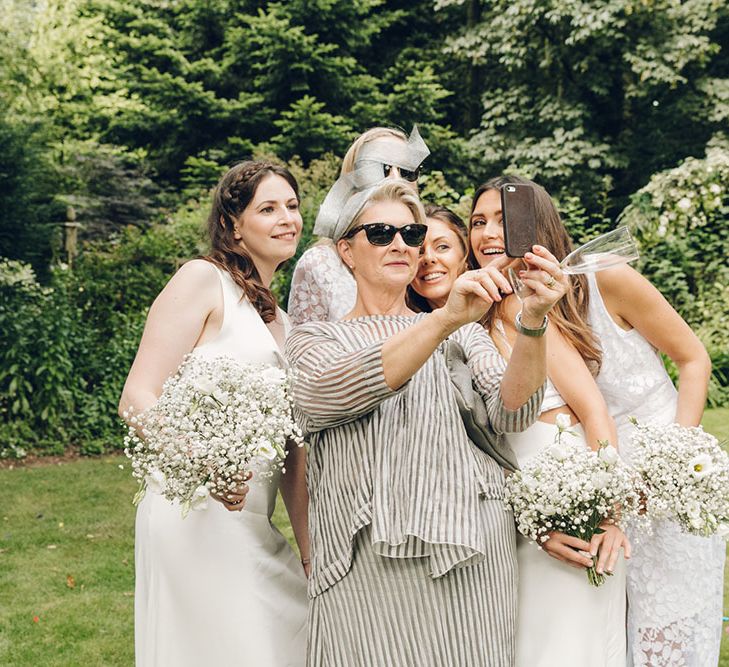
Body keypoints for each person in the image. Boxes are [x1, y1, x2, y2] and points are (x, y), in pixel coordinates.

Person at [285, 176, 568, 666]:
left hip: (473, 555)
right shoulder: (315, 340)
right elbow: (328, 394)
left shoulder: (466, 336)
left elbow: (514, 412)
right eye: (380, 234)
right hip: (362, 564)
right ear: (346, 251)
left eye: (412, 235)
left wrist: (535, 321)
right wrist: (437, 322)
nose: (401, 245)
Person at [118, 161, 309, 666]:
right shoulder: (203, 281)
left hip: (253, 519)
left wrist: (310, 555)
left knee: (291, 636)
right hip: (195, 513)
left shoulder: (283, 322)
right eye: (268, 208)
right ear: (232, 224)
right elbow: (137, 395)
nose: (287, 218)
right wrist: (204, 464)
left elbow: (293, 454)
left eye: (292, 206)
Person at [584, 227, 724, 664]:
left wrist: (673, 464)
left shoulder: (606, 278)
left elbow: (693, 358)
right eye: (478, 221)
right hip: (603, 493)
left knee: (666, 638)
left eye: (503, 218)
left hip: (668, 484)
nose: (491, 232)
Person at [287, 126, 428, 324]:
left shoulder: (426, 253)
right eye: (382, 167)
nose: (396, 178)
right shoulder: (320, 264)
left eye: (407, 170)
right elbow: (304, 346)